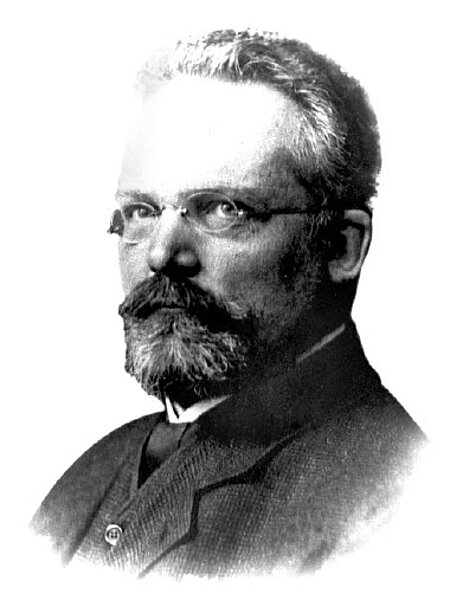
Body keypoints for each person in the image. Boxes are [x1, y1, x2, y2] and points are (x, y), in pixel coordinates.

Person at [31, 29, 425, 578]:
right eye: (141, 211)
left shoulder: (397, 514)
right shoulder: (85, 480)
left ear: (340, 247)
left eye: (223, 209)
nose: (162, 254)